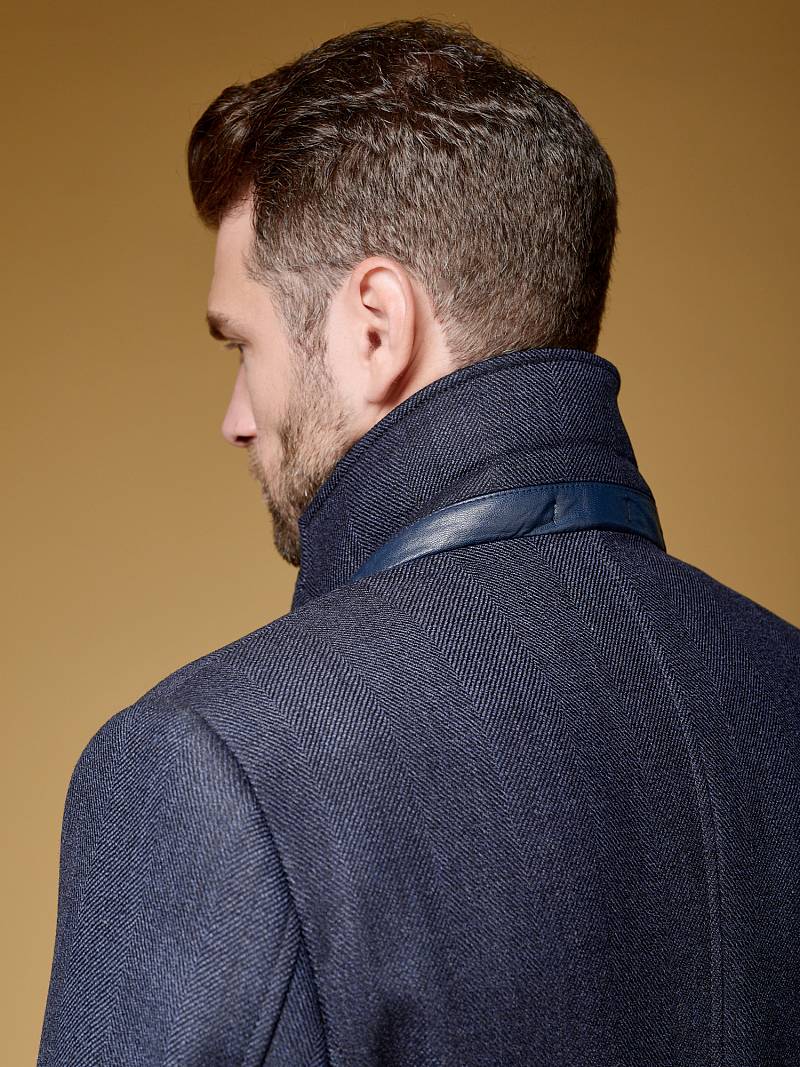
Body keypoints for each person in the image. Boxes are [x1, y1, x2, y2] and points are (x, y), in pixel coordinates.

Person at [36, 17, 800, 1067]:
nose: (236, 418)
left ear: (375, 325)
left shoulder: (210, 765)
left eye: (242, 345)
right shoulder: (780, 686)